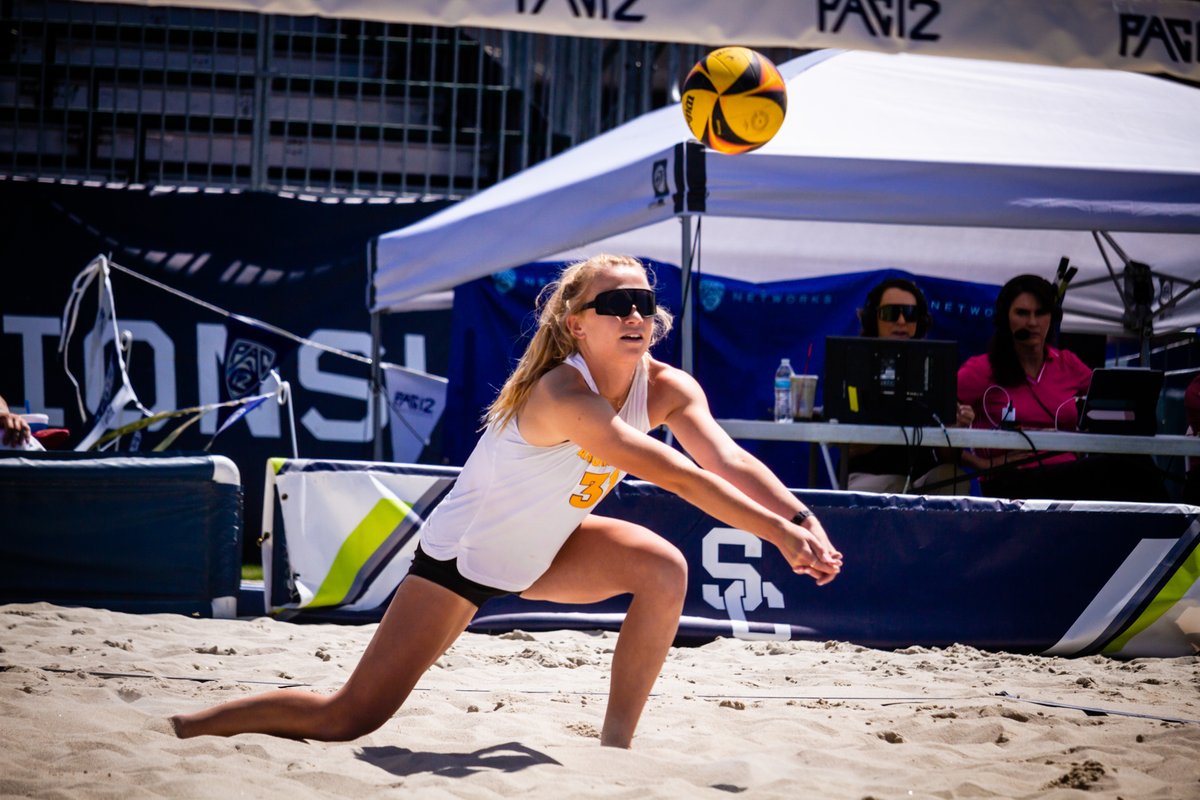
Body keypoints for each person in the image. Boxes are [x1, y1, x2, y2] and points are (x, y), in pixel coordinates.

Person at [171, 254, 843, 748]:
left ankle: (614, 750)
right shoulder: (562, 393)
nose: (635, 315)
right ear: (577, 325)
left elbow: (727, 460)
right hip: (462, 561)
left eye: (643, 301)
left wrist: (801, 519)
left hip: (546, 551)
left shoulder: (667, 386)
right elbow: (680, 477)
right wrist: (778, 536)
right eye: (615, 304)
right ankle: (188, 726)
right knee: (349, 717)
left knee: (664, 570)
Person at [957, 274, 1165, 502]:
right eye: (1022, 313)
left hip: (1069, 478)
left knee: (1136, 462)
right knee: (1120, 468)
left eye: (1041, 313)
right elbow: (937, 424)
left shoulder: (1067, 363)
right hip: (1012, 482)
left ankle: (1177, 522)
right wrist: (982, 464)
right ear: (1004, 318)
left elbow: (1111, 402)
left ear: (1052, 317)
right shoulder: (982, 368)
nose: (1032, 322)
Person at [845, 278, 973, 494]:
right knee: (895, 486)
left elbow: (948, 457)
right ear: (873, 318)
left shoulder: (934, 366)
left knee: (953, 477)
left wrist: (956, 429)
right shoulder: (854, 363)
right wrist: (897, 416)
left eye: (910, 314)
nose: (902, 321)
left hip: (923, 477)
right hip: (868, 476)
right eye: (891, 313)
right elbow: (850, 448)